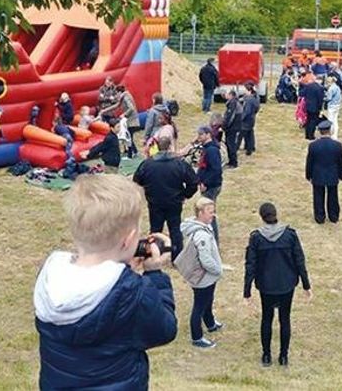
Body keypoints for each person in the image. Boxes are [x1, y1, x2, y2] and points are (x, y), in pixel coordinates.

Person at [34, 176, 176, 389]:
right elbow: (164, 329)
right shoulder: (133, 293)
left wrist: (124, 270)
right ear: (128, 240)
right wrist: (154, 274)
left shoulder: (50, 278)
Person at [243, 202, 312, 367]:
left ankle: (266, 355)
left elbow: (250, 265)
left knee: (267, 319)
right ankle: (283, 356)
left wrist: (247, 291)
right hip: (286, 284)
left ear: (262, 217)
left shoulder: (256, 238)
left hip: (266, 286)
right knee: (285, 319)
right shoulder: (289, 235)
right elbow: (299, 260)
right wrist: (306, 285)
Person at [133, 136, 200, 260]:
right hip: (174, 202)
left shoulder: (147, 164)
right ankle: (177, 258)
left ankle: (153, 255)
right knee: (175, 230)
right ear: (170, 147)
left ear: (157, 147)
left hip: (155, 202)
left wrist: (149, 189)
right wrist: (185, 195)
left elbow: (137, 179)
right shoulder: (179, 164)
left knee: (155, 230)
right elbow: (193, 182)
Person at [180, 198, 224, 349]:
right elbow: (206, 260)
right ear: (200, 213)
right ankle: (197, 337)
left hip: (208, 277)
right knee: (199, 306)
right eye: (210, 212)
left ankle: (210, 323)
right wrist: (218, 270)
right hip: (203, 278)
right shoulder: (201, 234)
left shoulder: (205, 227)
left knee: (208, 300)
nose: (213, 215)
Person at [305, 120, 342, 224]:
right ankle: (333, 216)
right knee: (333, 196)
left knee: (318, 196)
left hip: (317, 174)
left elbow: (309, 162)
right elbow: (340, 162)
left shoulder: (313, 145)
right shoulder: (337, 145)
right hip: (332, 174)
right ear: (330, 130)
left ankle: (319, 217)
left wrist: (308, 175)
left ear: (319, 132)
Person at [194, 125, 223, 241]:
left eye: (201, 134)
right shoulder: (207, 148)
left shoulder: (211, 150)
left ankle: (213, 240)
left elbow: (216, 170)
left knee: (209, 214)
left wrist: (205, 183)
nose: (199, 137)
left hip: (211, 186)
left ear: (208, 135)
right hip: (208, 185)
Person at [100, 85, 141, 158]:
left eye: (116, 93)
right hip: (130, 120)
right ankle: (134, 152)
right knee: (129, 137)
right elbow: (116, 105)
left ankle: (131, 154)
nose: (116, 95)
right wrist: (104, 110)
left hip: (131, 120)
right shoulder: (123, 97)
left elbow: (131, 108)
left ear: (119, 92)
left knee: (128, 137)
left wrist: (124, 114)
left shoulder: (125, 97)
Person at [221, 89, 242, 169]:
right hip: (233, 127)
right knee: (229, 143)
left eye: (226, 93)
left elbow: (230, 117)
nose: (225, 95)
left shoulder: (232, 103)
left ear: (230, 95)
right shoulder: (233, 102)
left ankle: (233, 163)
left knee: (231, 144)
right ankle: (231, 161)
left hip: (232, 128)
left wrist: (224, 126)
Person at [240, 82, 261, 156]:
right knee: (250, 133)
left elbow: (247, 111)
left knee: (245, 134)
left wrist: (242, 118)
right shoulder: (255, 97)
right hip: (252, 118)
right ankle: (251, 147)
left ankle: (248, 149)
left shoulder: (250, 99)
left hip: (247, 119)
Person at [324, 75, 342, 140]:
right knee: (335, 120)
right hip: (337, 105)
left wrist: (324, 98)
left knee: (330, 120)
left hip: (332, 106)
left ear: (329, 82)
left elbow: (329, 98)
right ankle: (335, 134)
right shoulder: (337, 87)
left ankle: (330, 134)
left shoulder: (331, 88)